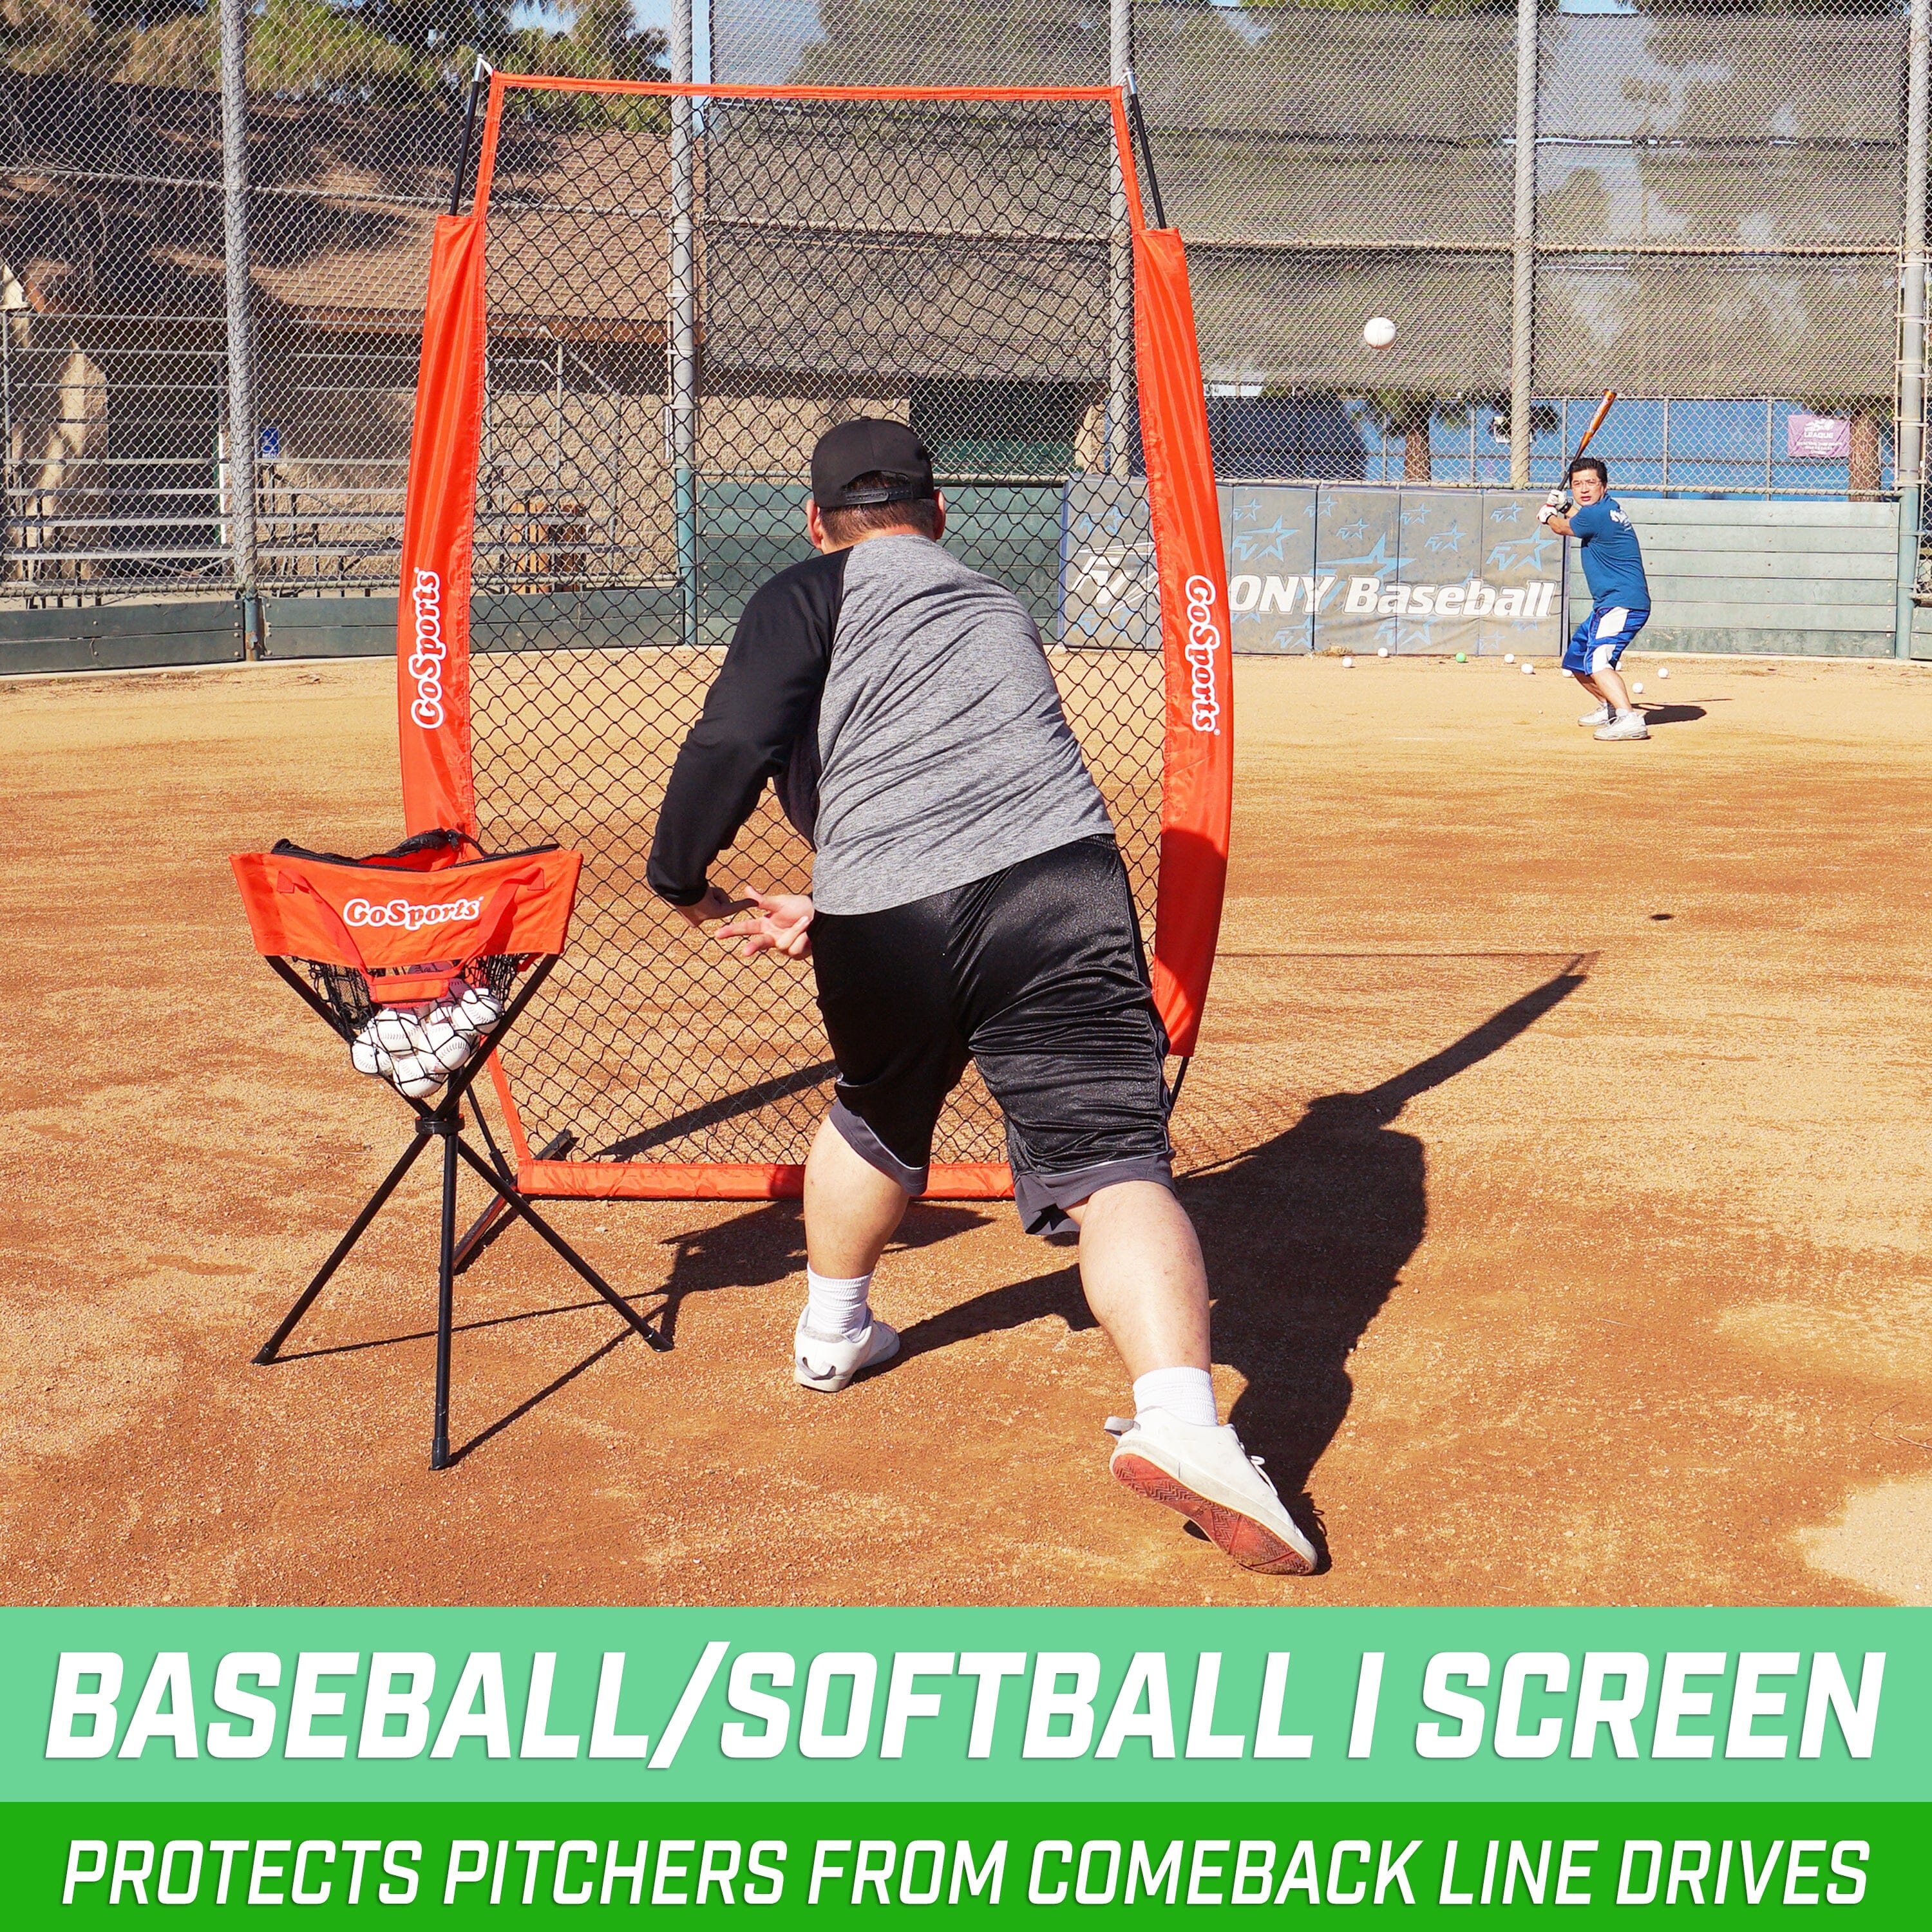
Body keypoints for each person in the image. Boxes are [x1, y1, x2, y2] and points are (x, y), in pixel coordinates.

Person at [645, 417, 1317, 1577]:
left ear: (817, 525)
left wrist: (688, 881)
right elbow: (957, 758)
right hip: (1055, 885)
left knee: (874, 1107)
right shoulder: (996, 601)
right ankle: (1185, 1426)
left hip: (886, 909)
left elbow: (741, 740)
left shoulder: (803, 593)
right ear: (940, 515)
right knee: (1113, 1162)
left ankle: (831, 1336)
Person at [1540, 456, 1652, 743]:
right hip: (1608, 603)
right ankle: (1610, 707)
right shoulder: (1604, 510)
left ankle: (1629, 719)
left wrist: (1548, 514)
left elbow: (1564, 528)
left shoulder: (1597, 514)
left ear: (1604, 486)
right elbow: (1579, 519)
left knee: (1599, 660)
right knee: (1577, 661)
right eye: (1577, 484)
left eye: (1591, 482)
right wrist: (1564, 507)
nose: (1584, 489)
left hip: (1622, 602)